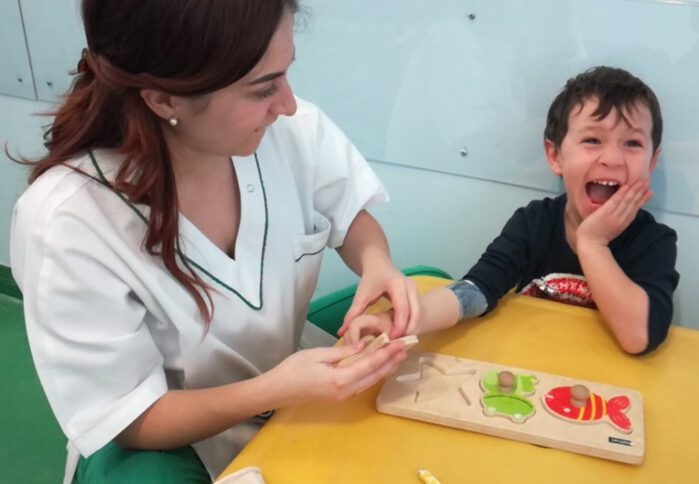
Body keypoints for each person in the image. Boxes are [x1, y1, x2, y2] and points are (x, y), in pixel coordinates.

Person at [8, 0, 420, 482]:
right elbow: (129, 418)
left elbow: (349, 212)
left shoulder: (287, 130)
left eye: (285, 74)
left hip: (290, 377)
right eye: (263, 88)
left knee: (425, 285)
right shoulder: (67, 221)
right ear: (163, 100)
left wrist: (377, 264)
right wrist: (274, 390)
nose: (286, 103)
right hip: (171, 436)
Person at [341, 66, 680, 355]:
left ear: (651, 162)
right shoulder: (534, 223)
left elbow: (640, 337)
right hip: (528, 369)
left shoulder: (652, 241)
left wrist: (593, 244)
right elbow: (475, 289)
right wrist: (396, 321)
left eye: (632, 143)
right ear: (555, 156)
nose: (612, 158)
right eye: (592, 140)